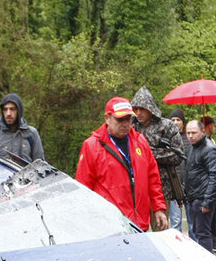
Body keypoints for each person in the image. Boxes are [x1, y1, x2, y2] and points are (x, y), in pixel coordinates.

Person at [75, 97, 168, 232]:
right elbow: (84, 188)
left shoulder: (140, 140)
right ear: (107, 118)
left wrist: (158, 208)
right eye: (120, 119)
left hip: (140, 223)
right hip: (110, 225)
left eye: (129, 119)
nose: (125, 124)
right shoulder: (92, 146)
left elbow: (153, 177)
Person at [131, 87, 186, 231]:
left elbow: (179, 155)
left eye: (142, 109)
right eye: (135, 109)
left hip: (162, 189)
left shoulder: (166, 126)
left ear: (150, 108)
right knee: (136, 233)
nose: (138, 113)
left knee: (161, 232)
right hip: (136, 190)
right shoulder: (130, 126)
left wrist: (147, 154)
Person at [183, 120, 216, 251]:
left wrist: (207, 201)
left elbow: (215, 176)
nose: (190, 136)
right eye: (188, 133)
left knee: (203, 233)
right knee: (197, 231)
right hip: (194, 197)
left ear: (202, 132)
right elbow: (189, 173)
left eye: (193, 133)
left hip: (202, 197)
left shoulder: (209, 149)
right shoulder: (192, 148)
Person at [0, 93, 45, 163]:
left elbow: (40, 166)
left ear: (19, 111)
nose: (8, 113)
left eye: (12, 109)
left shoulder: (31, 134)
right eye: (5, 109)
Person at [167, 107, 192, 237]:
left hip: (190, 187)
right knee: (175, 223)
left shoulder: (190, 138)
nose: (175, 122)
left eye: (178, 119)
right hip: (174, 187)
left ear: (183, 122)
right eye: (173, 120)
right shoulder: (167, 139)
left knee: (193, 224)